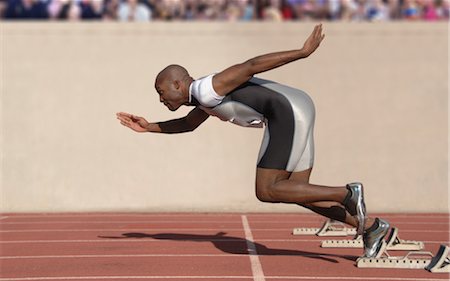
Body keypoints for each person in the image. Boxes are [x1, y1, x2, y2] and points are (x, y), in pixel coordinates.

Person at [116, 24, 389, 258]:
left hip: (286, 112)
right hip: (298, 106)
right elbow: (188, 124)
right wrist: (148, 127)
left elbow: (250, 66)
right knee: (299, 191)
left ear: (178, 84)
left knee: (267, 190)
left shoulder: (206, 88)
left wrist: (302, 53)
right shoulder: (204, 98)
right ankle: (371, 228)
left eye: (161, 92)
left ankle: (346, 193)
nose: (161, 99)